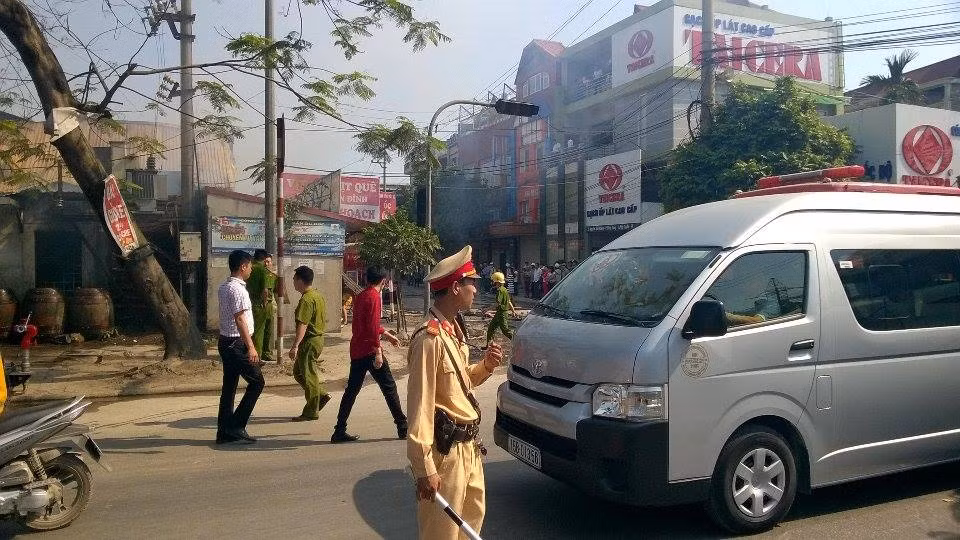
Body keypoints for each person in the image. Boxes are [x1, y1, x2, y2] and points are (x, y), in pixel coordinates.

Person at [407, 245, 503, 539]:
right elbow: (420, 406)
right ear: (454, 288)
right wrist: (424, 468)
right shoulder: (428, 339)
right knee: (443, 534)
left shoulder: (451, 332)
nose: (475, 289)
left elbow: (459, 385)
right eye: (471, 282)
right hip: (445, 454)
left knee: (471, 525)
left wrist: (485, 366)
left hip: (469, 449)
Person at [332, 266, 408, 443]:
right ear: (383, 281)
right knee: (389, 388)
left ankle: (339, 430)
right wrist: (378, 351)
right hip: (370, 351)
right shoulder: (374, 297)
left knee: (351, 391)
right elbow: (372, 328)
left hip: (358, 349)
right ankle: (403, 427)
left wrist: (387, 335)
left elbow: (367, 325)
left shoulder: (362, 295)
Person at [217, 250, 264, 445]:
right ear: (243, 266)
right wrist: (251, 347)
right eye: (250, 266)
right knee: (257, 382)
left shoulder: (224, 286)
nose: (251, 269)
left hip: (227, 342)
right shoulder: (238, 290)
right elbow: (240, 319)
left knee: (229, 387)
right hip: (237, 343)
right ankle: (236, 426)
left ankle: (224, 432)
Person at [288, 266, 331, 421]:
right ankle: (320, 395)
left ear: (300, 280)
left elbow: (303, 324)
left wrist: (295, 346)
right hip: (317, 339)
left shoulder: (307, 299)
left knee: (308, 376)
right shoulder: (317, 296)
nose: (293, 282)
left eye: (294, 279)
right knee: (299, 373)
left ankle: (311, 410)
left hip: (309, 341)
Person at [246, 249, 277, 364]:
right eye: (267, 261)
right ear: (264, 260)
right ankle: (258, 356)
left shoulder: (249, 268)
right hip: (260, 303)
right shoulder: (262, 271)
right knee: (259, 331)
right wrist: (264, 302)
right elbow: (265, 290)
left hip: (249, 302)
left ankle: (262, 353)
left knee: (254, 329)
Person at [485, 271, 518, 348]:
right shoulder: (505, 290)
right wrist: (513, 311)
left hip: (502, 313)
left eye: (494, 281)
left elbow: (497, 303)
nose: (493, 282)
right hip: (500, 313)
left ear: (497, 281)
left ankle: (517, 341)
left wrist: (487, 309)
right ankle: (489, 345)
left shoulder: (500, 291)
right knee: (491, 328)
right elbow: (509, 302)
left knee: (505, 330)